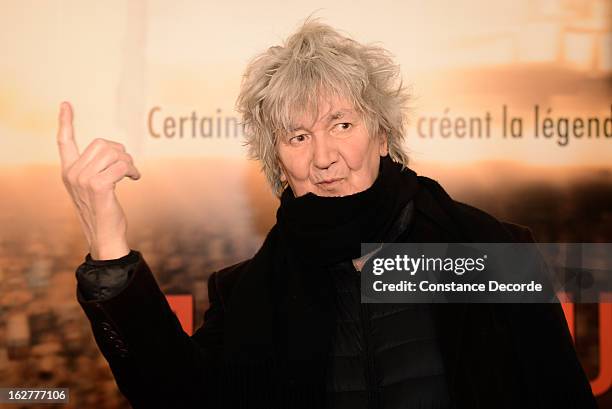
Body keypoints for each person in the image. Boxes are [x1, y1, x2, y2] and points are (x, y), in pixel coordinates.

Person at [56, 19, 596, 409]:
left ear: (382, 134)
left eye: (341, 123)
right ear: (278, 163)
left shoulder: (489, 254)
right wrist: (108, 242)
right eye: (298, 135)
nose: (323, 157)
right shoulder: (250, 291)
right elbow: (174, 395)